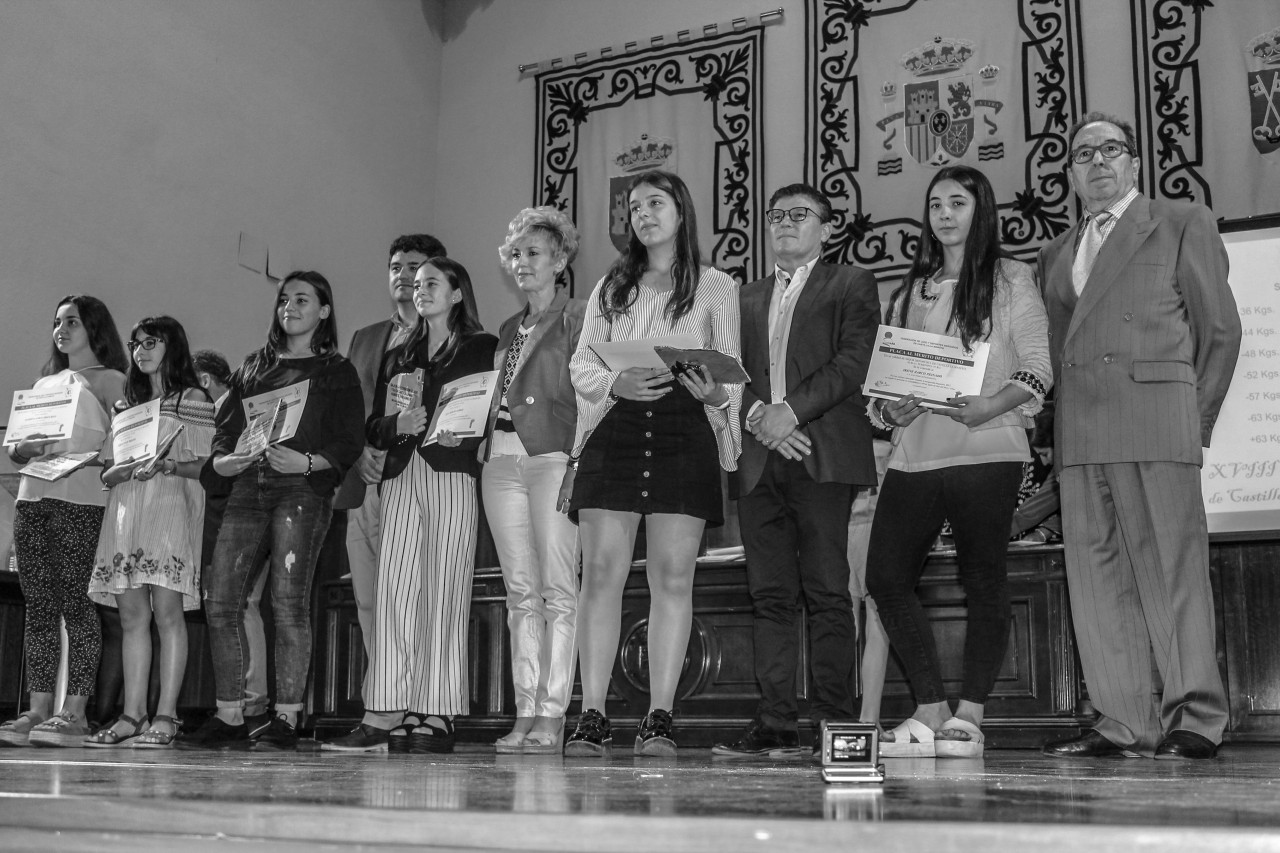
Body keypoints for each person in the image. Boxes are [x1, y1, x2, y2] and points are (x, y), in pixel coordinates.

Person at [1038, 113, 1240, 761]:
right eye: (1083, 154)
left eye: (1110, 149)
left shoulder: (1181, 221)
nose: (1097, 161)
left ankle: (1196, 717)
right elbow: (1057, 351)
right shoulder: (1055, 253)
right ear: (1070, 174)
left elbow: (1219, 331)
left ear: (1134, 162)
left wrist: (1191, 420)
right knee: (1096, 580)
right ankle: (1124, 720)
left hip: (1156, 423)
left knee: (1174, 574)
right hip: (1081, 434)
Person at [865, 165, 1051, 758]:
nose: (945, 214)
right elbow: (882, 385)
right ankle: (929, 709)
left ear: (981, 210)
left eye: (958, 203)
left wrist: (990, 405)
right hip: (914, 454)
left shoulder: (1012, 277)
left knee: (983, 579)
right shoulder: (909, 291)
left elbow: (1038, 369)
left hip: (988, 448)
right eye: (936, 205)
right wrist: (888, 410)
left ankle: (970, 715)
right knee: (884, 580)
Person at [566, 169, 742, 757]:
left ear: (681, 211)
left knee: (671, 576)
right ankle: (592, 714)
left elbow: (731, 373)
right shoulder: (609, 287)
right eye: (635, 207)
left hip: (683, 430)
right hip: (616, 426)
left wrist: (712, 391)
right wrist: (615, 382)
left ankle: (659, 717)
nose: (643, 214)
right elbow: (582, 364)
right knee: (601, 574)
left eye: (655, 203)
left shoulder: (716, 286)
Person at [712, 183, 880, 758]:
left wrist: (790, 412)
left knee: (829, 591)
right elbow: (726, 369)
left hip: (822, 451)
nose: (784, 223)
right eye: (776, 215)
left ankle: (835, 722)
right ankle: (775, 722)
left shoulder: (851, 282)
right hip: (759, 458)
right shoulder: (742, 296)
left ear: (826, 228)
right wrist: (760, 416)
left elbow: (853, 361)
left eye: (799, 214)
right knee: (770, 595)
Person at [182, 271, 365, 751]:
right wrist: (227, 461)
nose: (290, 307)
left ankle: (286, 717)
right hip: (246, 487)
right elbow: (225, 433)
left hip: (300, 491)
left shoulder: (336, 371)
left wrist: (309, 462)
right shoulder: (253, 366)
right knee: (220, 601)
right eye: (284, 299)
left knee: (287, 603)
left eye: (302, 299)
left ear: (324, 311)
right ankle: (229, 714)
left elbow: (350, 439)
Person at [363, 257, 496, 754]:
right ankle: (387, 706)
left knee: (445, 590)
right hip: (401, 474)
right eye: (416, 284)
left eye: (431, 283)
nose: (419, 290)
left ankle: (436, 710)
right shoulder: (399, 353)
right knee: (394, 591)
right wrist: (395, 426)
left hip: (452, 471)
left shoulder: (481, 346)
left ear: (457, 293)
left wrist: (466, 433)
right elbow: (373, 425)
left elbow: (489, 410)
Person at [322, 234, 447, 752]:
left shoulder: (448, 332)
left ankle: (421, 704)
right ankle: (386, 704)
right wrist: (360, 454)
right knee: (370, 600)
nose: (403, 275)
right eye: (396, 266)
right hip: (365, 479)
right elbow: (348, 411)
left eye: (415, 266)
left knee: (414, 598)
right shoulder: (365, 336)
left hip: (417, 477)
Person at [0, 295, 127, 747]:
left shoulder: (112, 380)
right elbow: (14, 449)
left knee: (77, 606)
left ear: (95, 328)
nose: (62, 330)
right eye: (57, 322)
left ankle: (74, 712)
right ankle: (37, 710)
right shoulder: (43, 384)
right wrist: (24, 448)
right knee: (38, 608)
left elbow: (127, 440)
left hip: (81, 502)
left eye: (72, 321)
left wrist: (95, 457)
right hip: (32, 499)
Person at [483, 207, 585, 754]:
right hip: (500, 461)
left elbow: (591, 398)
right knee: (519, 593)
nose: (522, 262)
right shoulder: (507, 327)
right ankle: (525, 711)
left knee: (558, 591)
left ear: (560, 261)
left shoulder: (578, 317)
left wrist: (578, 463)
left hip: (553, 458)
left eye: (534, 253)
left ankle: (552, 713)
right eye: (516, 254)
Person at [87, 316, 215, 748]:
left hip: (168, 511)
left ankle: (167, 715)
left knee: (168, 615)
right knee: (131, 619)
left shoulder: (192, 399)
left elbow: (207, 466)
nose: (140, 351)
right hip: (125, 516)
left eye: (150, 342)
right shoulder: (128, 407)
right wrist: (122, 470)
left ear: (171, 346)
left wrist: (168, 465)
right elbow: (108, 472)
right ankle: (133, 714)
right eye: (135, 344)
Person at [194, 349, 271, 741]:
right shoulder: (222, 411)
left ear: (204, 381)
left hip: (242, 519)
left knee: (242, 606)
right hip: (225, 521)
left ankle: (251, 702)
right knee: (234, 607)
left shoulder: (237, 407)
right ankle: (240, 700)